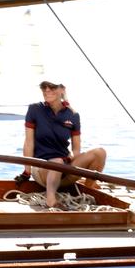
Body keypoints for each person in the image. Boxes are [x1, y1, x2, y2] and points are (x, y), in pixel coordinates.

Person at [16, 80, 107, 209]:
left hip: (65, 168)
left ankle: (88, 188)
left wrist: (75, 162)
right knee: (57, 161)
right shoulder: (35, 109)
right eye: (44, 87)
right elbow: (29, 142)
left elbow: (76, 150)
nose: (47, 90)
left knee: (100, 152)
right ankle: (51, 200)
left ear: (62, 90)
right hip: (42, 170)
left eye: (52, 87)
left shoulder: (73, 115)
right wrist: (27, 172)